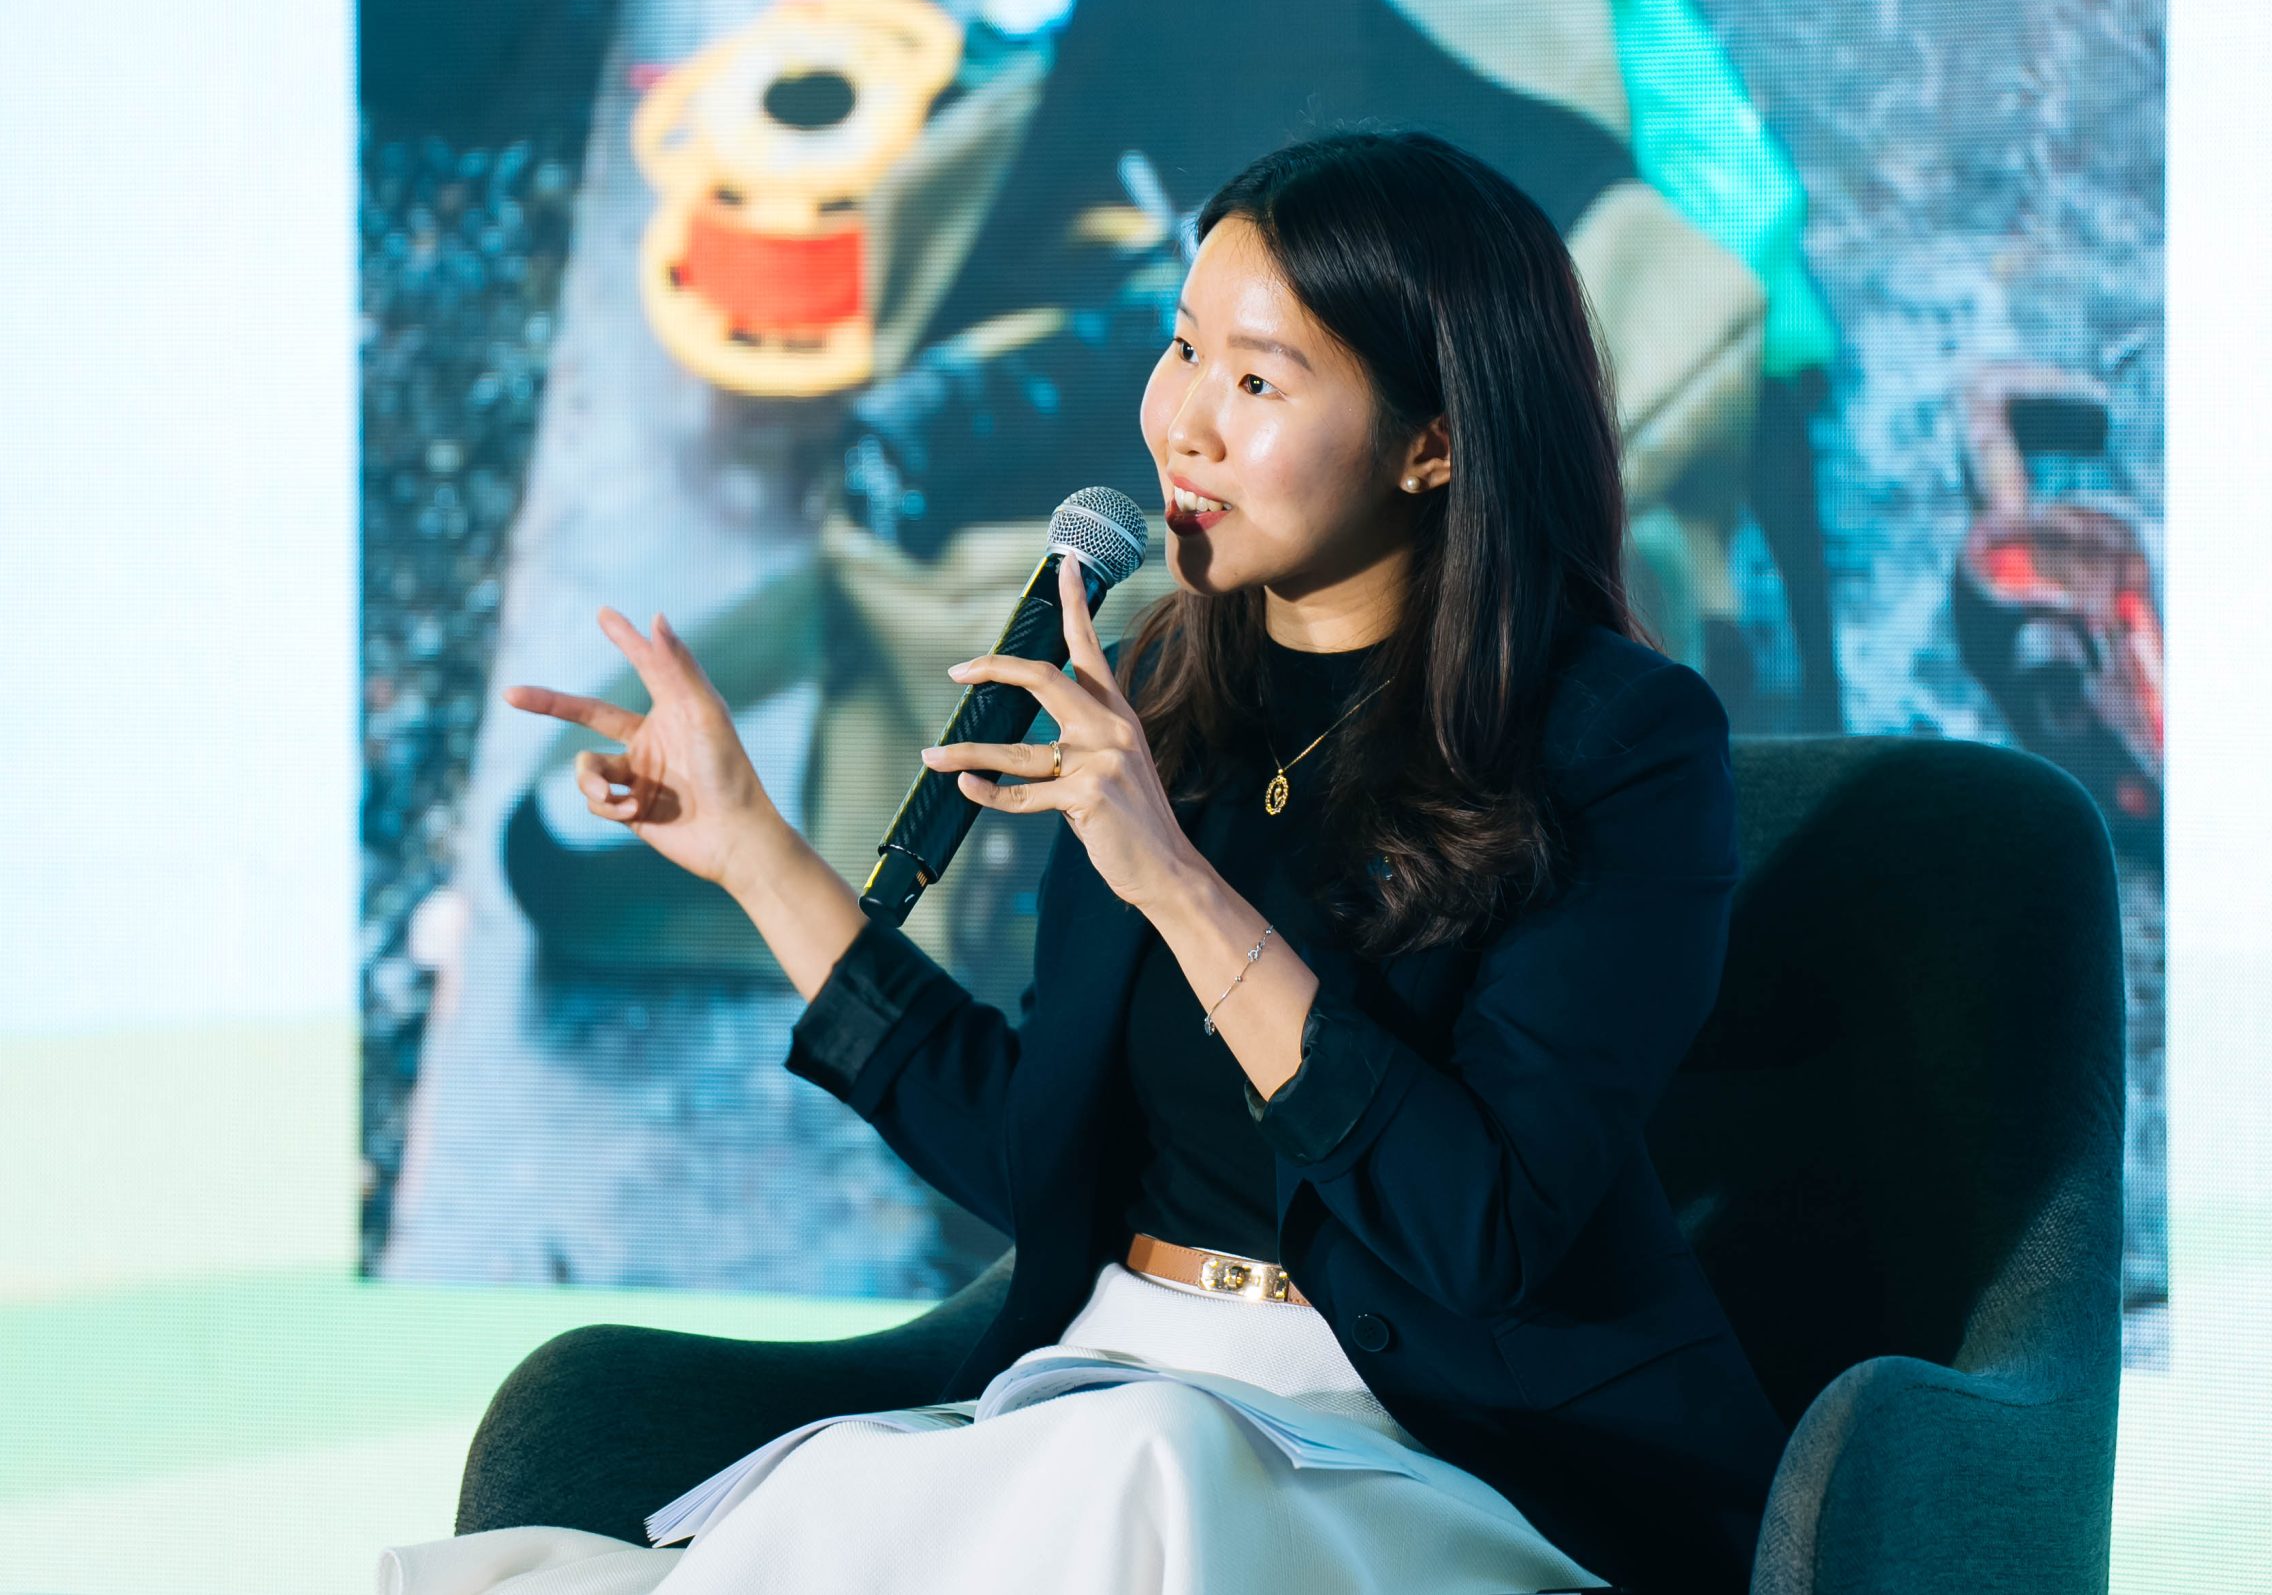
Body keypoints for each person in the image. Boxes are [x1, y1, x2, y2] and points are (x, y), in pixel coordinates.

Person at [389, 128, 1784, 1595]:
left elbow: (1481, 1231)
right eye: (1182, 350)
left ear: (1432, 443)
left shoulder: (1618, 746)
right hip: (1113, 1374)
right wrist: (747, 848)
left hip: (1431, 1448)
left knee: (1143, 1468)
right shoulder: (1164, 699)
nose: (1185, 424)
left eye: (1258, 382)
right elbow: (1038, 1152)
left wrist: (1176, 883)